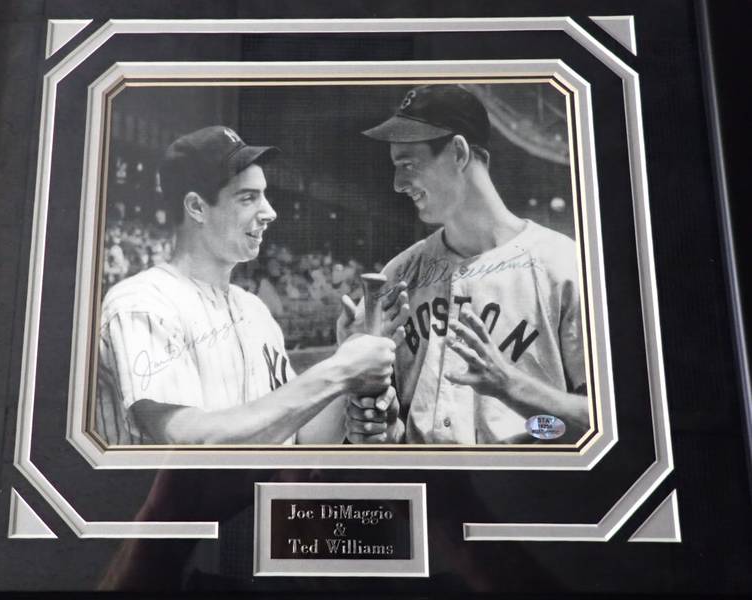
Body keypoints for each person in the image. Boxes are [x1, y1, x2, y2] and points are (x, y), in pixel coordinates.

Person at [95, 125, 406, 445]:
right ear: (197, 207)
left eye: (264, 196)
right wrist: (339, 370)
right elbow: (190, 441)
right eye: (248, 198)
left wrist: (349, 369)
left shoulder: (254, 310)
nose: (269, 212)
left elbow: (302, 438)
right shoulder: (141, 305)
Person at [341, 85, 589, 444]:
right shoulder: (398, 275)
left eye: (408, 164)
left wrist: (514, 388)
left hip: (519, 492)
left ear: (458, 153)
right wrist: (383, 427)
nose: (397, 184)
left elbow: (606, 426)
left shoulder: (564, 266)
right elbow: (387, 426)